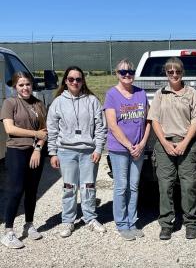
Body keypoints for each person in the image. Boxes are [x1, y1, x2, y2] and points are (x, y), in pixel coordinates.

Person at [47, 66, 107, 238]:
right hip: (66, 152)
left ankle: (90, 218)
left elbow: (101, 127)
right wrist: (52, 152)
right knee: (69, 187)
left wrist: (98, 148)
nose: (75, 82)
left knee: (88, 186)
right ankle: (68, 220)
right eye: (71, 79)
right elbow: (52, 129)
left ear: (83, 81)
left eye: (78, 79)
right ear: (65, 81)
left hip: (88, 152)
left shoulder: (92, 100)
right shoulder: (58, 102)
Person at [147, 57, 196, 240]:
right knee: (165, 185)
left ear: (182, 72)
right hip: (165, 144)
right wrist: (165, 143)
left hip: (186, 143)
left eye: (177, 71)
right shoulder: (160, 94)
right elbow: (154, 120)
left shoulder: (191, 92)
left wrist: (185, 142)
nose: (174, 74)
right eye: (170, 71)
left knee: (189, 186)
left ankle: (191, 223)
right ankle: (166, 223)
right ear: (166, 73)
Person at [104, 59, 151, 241]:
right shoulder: (112, 95)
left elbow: (148, 120)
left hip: (138, 148)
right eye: (123, 72)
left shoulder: (141, 93)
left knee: (134, 186)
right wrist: (129, 146)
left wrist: (142, 144)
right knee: (121, 186)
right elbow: (113, 125)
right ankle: (122, 224)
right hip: (119, 149)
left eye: (130, 71)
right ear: (117, 74)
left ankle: (133, 221)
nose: (127, 75)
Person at [0, 72, 47, 249]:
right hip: (16, 151)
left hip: (35, 152)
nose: (25, 88)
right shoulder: (10, 103)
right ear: (15, 87)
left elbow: (45, 130)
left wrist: (38, 148)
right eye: (21, 85)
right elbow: (10, 128)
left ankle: (29, 225)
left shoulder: (38, 103)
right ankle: (9, 232)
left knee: (31, 190)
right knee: (16, 190)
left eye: (27, 84)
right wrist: (35, 135)